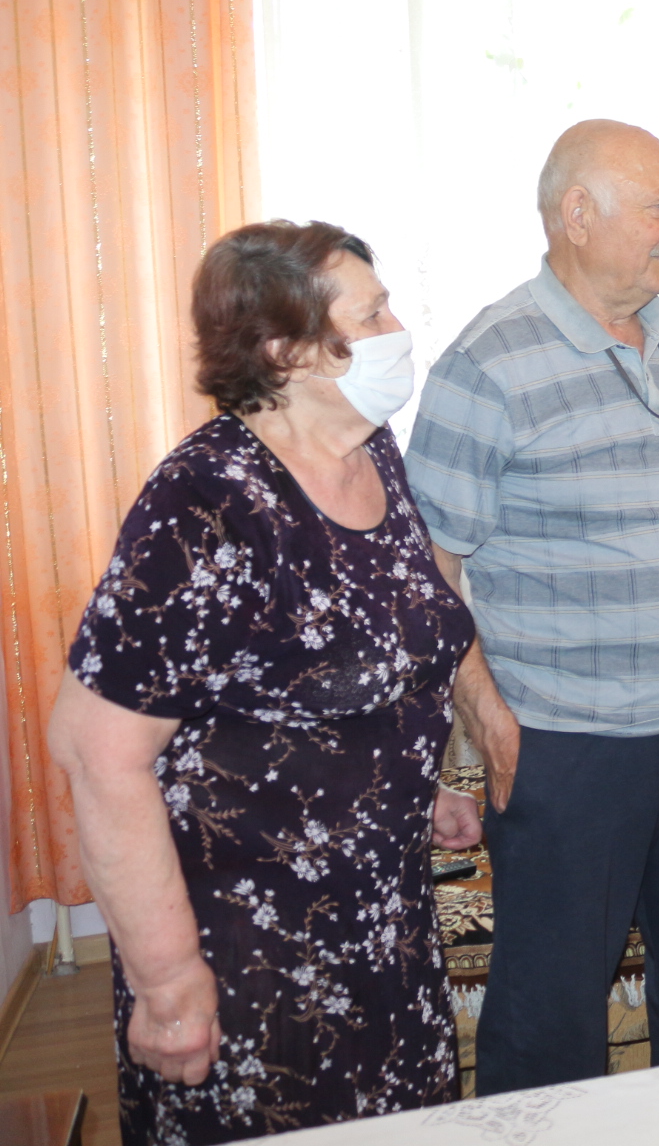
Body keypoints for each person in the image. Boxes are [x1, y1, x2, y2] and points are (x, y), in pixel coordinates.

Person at [49, 221, 483, 1144]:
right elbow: (96, 753)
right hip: (249, 951)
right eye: (372, 315)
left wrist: (411, 782)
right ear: (287, 352)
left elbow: (356, 669)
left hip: (384, 924)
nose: (399, 329)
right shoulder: (206, 502)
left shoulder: (373, 455)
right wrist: (169, 981)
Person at [405, 119, 659, 1094]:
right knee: (550, 1009)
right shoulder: (487, 363)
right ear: (577, 215)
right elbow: (428, 567)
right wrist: (486, 717)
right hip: (566, 736)